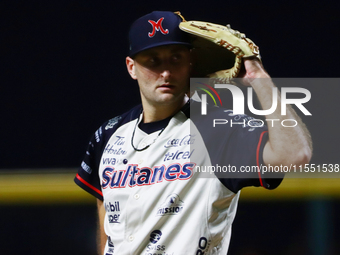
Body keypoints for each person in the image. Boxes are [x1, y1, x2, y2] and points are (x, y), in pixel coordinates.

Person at [74, 11, 312, 255]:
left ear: (190, 64)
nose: (166, 72)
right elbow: (107, 218)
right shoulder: (108, 135)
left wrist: (259, 77)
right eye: (153, 61)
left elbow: (295, 154)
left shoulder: (219, 129)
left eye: (175, 58)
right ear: (131, 67)